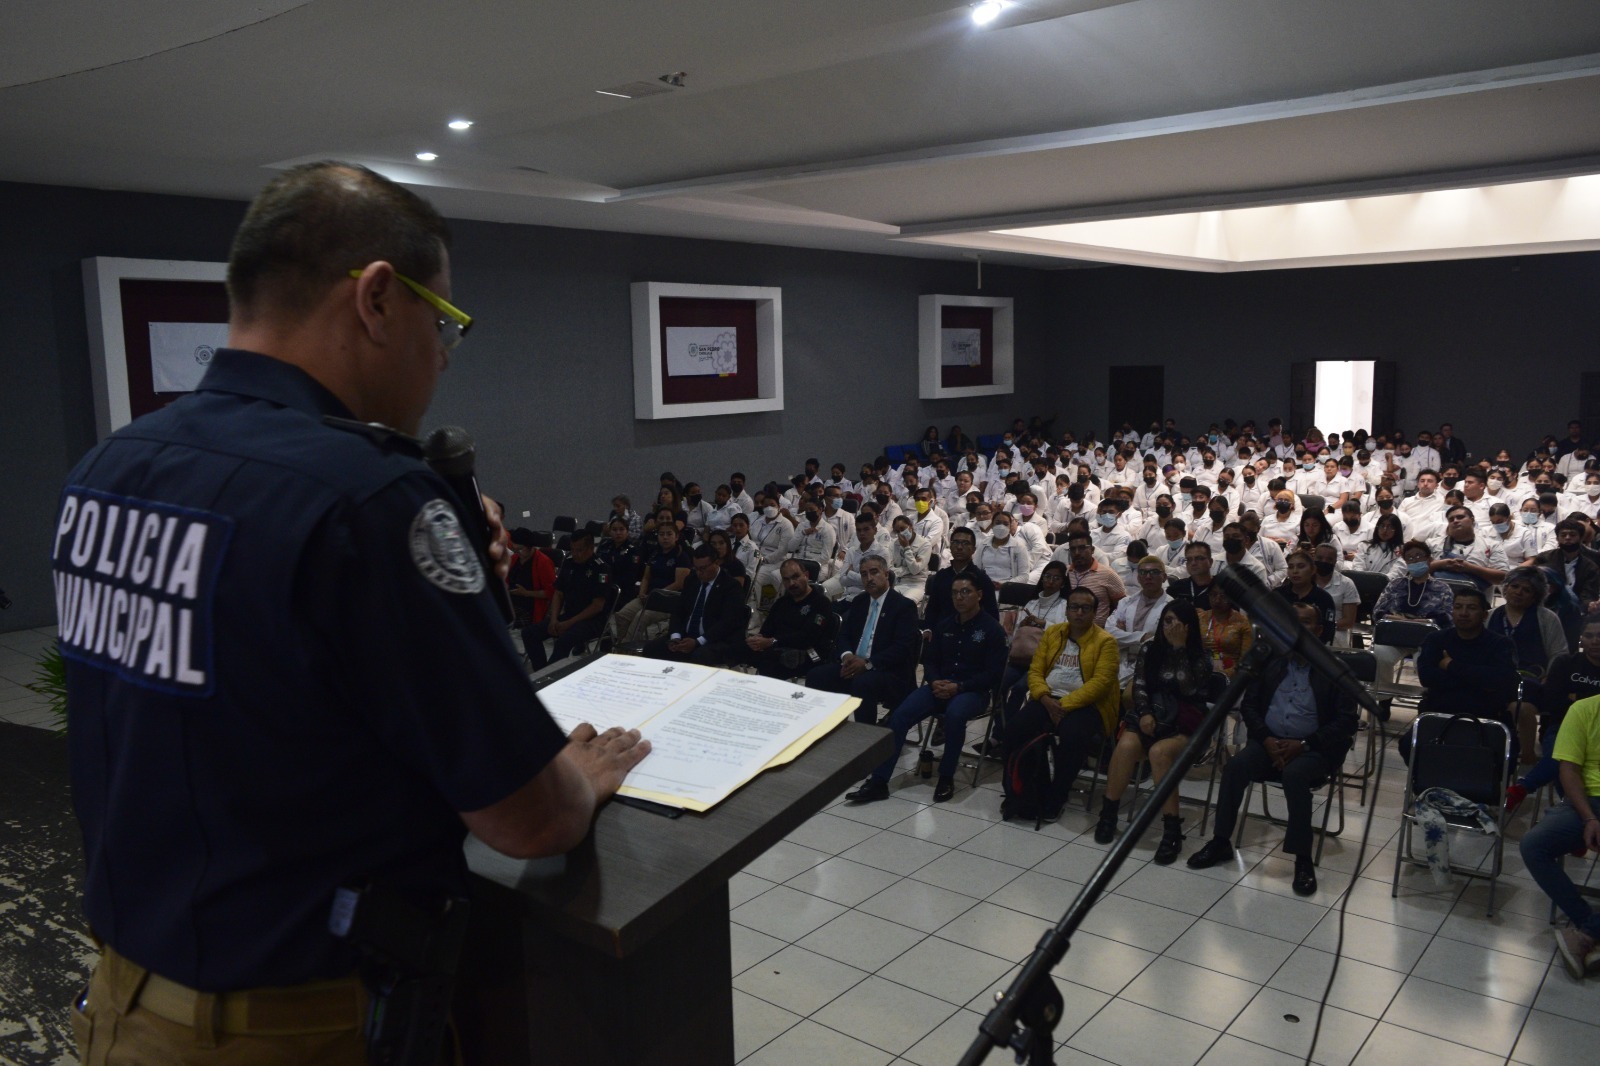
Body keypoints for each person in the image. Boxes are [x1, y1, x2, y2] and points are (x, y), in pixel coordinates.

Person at [54, 162, 649, 1065]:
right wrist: (574, 777)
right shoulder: (366, 497)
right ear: (377, 298)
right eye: (442, 321)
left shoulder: (111, 467)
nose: (443, 355)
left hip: (123, 1004)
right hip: (292, 1026)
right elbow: (528, 822)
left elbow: (251, 699)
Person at [1188, 604, 1358, 895]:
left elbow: (1346, 722)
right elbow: (1251, 706)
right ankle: (1220, 841)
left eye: (1304, 623)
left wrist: (1305, 744)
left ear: (1317, 631)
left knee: (1295, 775)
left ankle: (1302, 859)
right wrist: (1265, 739)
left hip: (1315, 748)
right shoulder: (1270, 661)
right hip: (1269, 741)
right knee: (1235, 767)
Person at [845, 574, 1008, 803]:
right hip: (939, 686)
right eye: (954, 593)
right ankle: (879, 781)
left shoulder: (992, 630)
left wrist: (959, 686)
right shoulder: (945, 625)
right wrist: (933, 681)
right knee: (899, 716)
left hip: (971, 691)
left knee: (954, 715)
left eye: (965, 592)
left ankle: (946, 776)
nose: (959, 598)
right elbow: (930, 661)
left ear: (979, 595)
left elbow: (993, 674)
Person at [1094, 601, 1215, 863]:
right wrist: (1146, 712)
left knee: (1160, 753)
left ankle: (1172, 829)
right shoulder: (1150, 648)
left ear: (1189, 627)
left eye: (1177, 623)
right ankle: (1108, 813)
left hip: (1186, 721)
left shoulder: (1201, 656)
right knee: (1126, 746)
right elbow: (1139, 685)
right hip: (1153, 714)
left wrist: (1179, 649)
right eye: (1167, 621)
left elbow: (1190, 690)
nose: (1170, 627)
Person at [1002, 587, 1122, 820]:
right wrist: (1046, 699)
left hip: (1087, 705)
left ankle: (1057, 796)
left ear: (1095, 613)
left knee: (1071, 736)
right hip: (1048, 699)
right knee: (1015, 729)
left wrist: (1063, 705)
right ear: (1066, 611)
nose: (1078, 613)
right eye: (1074, 607)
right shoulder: (1054, 633)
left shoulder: (1105, 642)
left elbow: (1100, 684)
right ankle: (1018, 790)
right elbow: (1036, 671)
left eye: (1085, 608)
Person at [1407, 586, 1521, 763]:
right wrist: (1477, 678)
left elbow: (1501, 681)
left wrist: (1451, 666)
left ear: (1484, 615)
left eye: (1471, 608)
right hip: (1441, 711)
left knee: (1506, 754)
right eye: (1458, 607)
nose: (1463, 613)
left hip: (1487, 714)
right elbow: (1428, 677)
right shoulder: (1436, 639)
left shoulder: (1501, 644)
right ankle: (1429, 789)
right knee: (1408, 745)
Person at [804, 554, 921, 725]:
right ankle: (821, 727)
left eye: (874, 572)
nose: (869, 578)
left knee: (863, 683)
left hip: (887, 670)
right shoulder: (859, 601)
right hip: (854, 663)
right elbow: (844, 634)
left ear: (886, 574)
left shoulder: (903, 606)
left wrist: (867, 664)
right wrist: (847, 656)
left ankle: (865, 738)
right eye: (864, 574)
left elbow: (902, 648)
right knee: (816, 676)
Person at [1507, 615, 1600, 812]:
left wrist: (1577, 698)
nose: (1595, 641)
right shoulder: (1566, 663)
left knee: (1565, 757)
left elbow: (1568, 701)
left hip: (1596, 732)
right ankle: (1573, 810)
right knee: (1564, 754)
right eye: (1589, 635)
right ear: (1581, 639)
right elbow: (1553, 702)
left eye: (1599, 636)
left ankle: (1526, 788)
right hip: (1561, 726)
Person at [642, 543, 747, 665]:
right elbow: (679, 611)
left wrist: (698, 641)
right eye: (696, 568)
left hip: (715, 639)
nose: (699, 573)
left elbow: (727, 623)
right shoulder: (692, 580)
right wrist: (675, 637)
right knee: (652, 648)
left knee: (700, 656)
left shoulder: (731, 586)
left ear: (716, 563)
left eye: (703, 568)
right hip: (687, 636)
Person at [522, 528, 611, 670]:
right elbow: (558, 593)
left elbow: (597, 606)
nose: (575, 554)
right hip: (569, 615)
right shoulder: (569, 562)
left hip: (593, 620)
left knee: (564, 640)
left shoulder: (600, 568)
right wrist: (553, 619)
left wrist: (569, 623)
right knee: (529, 633)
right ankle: (542, 671)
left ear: (591, 549)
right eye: (573, 549)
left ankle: (549, 676)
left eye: (579, 550)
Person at [1370, 540, 1455, 684]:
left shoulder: (1442, 588)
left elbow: (1447, 617)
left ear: (1428, 560)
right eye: (1410, 557)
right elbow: (1377, 612)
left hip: (1427, 640)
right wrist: (1401, 621)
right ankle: (1384, 699)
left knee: (1429, 659)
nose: (1414, 560)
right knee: (1379, 655)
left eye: (1419, 556)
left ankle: (1428, 697)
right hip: (1394, 636)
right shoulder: (1395, 584)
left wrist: (1418, 622)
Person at [741, 559, 838, 678]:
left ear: (806, 575)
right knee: (738, 648)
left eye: (796, 577)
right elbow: (767, 629)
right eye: (786, 579)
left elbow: (808, 637)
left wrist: (772, 641)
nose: (792, 583)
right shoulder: (782, 602)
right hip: (778, 648)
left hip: (810, 652)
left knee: (770, 663)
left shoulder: (821, 603)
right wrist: (758, 639)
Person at [610, 518, 691, 641]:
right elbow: (646, 577)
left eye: (669, 534)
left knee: (640, 617)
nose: (665, 537)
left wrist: (655, 595)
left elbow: (679, 584)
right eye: (661, 534)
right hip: (648, 597)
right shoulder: (654, 554)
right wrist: (642, 592)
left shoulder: (681, 556)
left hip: (669, 600)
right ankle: (623, 644)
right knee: (622, 615)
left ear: (676, 537)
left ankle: (626, 650)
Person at [1275, 550, 1337, 645]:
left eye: (1301, 566)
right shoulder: (1277, 594)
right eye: (1291, 567)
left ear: (1313, 570)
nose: (1295, 571)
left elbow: (1328, 631)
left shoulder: (1324, 598)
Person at [1199, 583, 1253, 677]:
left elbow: (1245, 661)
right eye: (1213, 594)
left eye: (1223, 596)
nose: (1217, 600)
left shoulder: (1243, 623)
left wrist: (1222, 675)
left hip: (1232, 675)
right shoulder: (1199, 619)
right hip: (1202, 673)